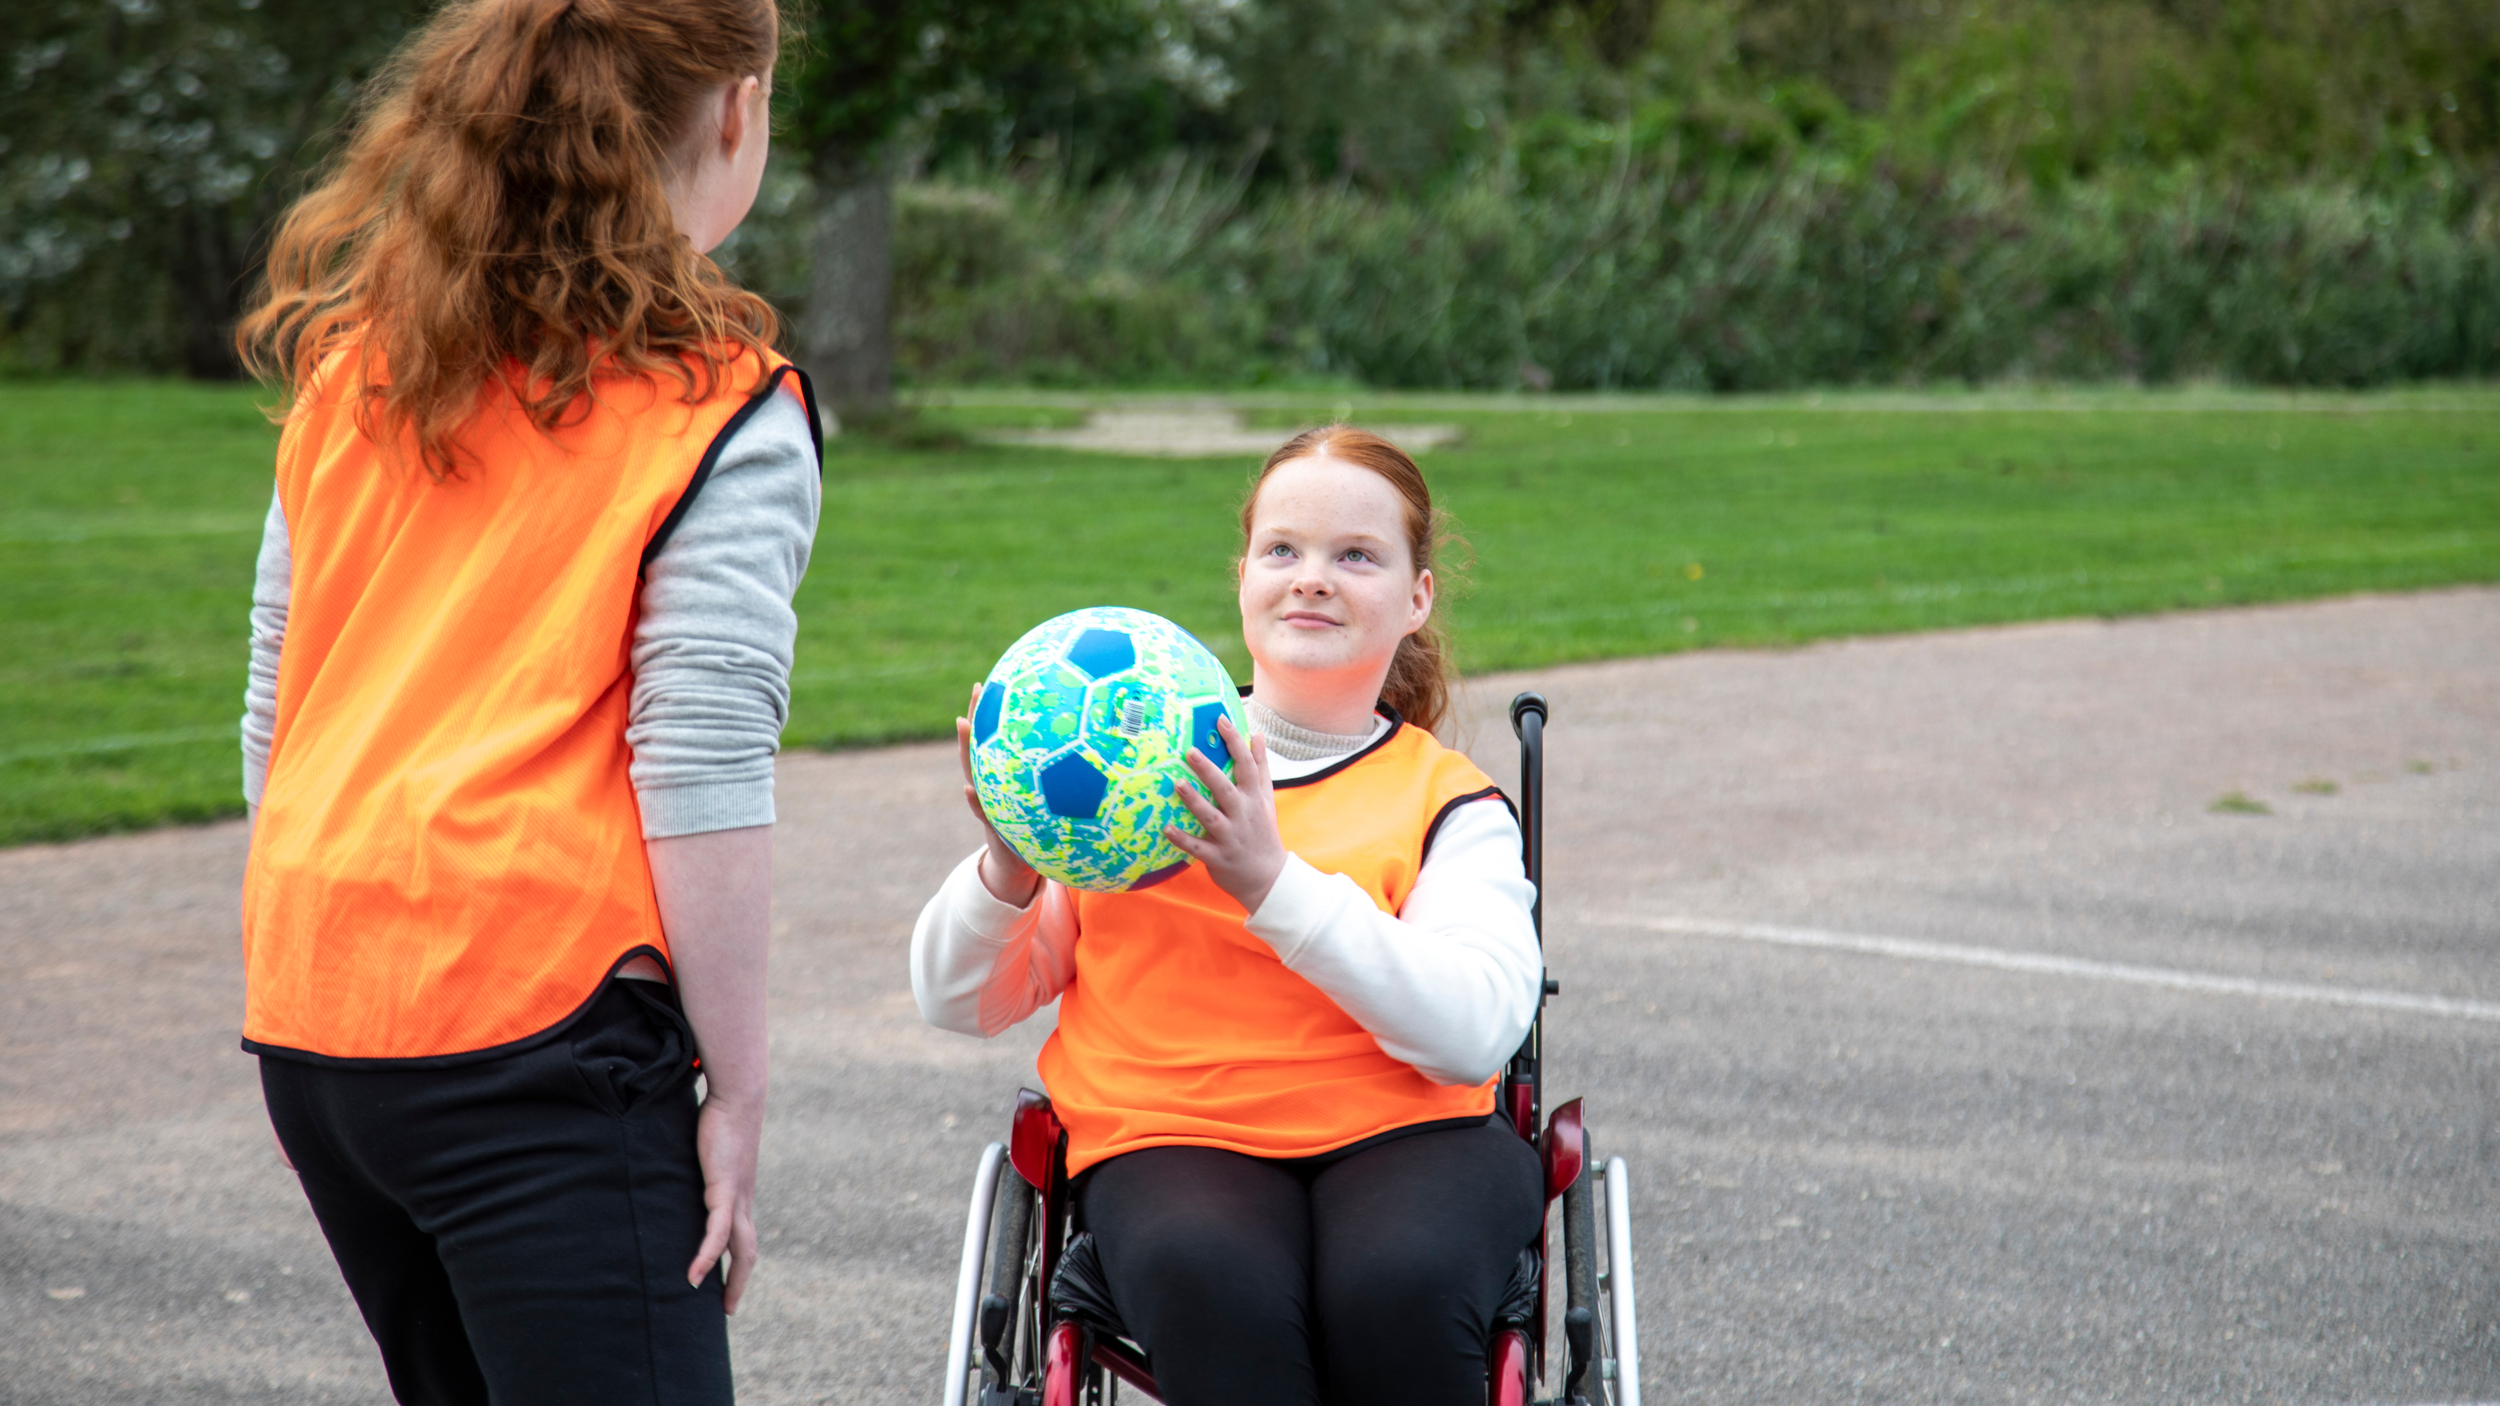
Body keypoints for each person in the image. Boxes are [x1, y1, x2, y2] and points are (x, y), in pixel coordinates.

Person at [231, 0, 814, 1400]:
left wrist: (338, 946)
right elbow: (702, 771)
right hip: (531, 1038)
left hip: (319, 1015)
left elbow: (276, 699)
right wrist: (734, 1092)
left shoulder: (357, 361)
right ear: (734, 112)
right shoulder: (721, 404)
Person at [912, 428, 1546, 1405]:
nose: (1312, 580)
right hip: (1170, 1126)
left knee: (1398, 1284)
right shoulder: (1130, 767)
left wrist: (1270, 882)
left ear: (1417, 596)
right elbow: (962, 1000)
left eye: (1356, 555)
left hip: (1407, 1130)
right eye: (1282, 550)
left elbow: (1472, 1034)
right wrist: (1008, 861)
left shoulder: (1447, 801)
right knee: (1216, 1280)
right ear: (1243, 574)